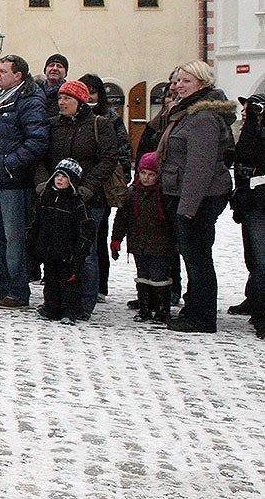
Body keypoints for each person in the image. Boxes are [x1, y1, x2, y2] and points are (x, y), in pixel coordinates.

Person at [157, 61, 235, 333]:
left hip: (200, 196)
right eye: (178, 81)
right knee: (194, 254)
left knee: (197, 256)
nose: (179, 86)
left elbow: (200, 166)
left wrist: (188, 206)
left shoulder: (202, 117)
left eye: (186, 81)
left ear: (202, 84)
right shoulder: (189, 111)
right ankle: (194, 307)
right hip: (188, 193)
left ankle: (202, 316)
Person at [39, 79, 121, 319]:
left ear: (80, 102)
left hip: (88, 199)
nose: (62, 102)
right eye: (61, 98)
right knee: (56, 251)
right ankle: (57, 301)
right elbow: (41, 157)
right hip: (56, 199)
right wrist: (43, 184)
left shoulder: (99, 124)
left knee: (85, 252)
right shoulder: (52, 125)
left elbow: (108, 159)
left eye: (68, 99)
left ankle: (85, 303)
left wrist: (86, 188)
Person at [0, 55, 52, 309]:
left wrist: (10, 162)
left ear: (18, 75)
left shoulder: (30, 100)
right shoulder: (0, 99)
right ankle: (3, 285)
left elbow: (38, 141)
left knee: (14, 239)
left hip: (14, 181)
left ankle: (19, 291)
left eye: (2, 71)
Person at [78, 73, 131, 305]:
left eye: (93, 91)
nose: (89, 95)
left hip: (102, 187)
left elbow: (122, 149)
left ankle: (100, 285)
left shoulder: (108, 116)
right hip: (78, 185)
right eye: (85, 90)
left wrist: (123, 178)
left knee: (98, 236)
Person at [113, 153, 177, 324]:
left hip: (161, 244)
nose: (146, 178)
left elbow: (172, 220)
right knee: (142, 275)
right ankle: (145, 307)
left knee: (159, 277)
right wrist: (116, 239)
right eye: (143, 174)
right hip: (138, 243)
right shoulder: (131, 194)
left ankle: (162, 309)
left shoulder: (164, 195)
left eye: (151, 174)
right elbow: (122, 218)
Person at [33, 158, 94, 325]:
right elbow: (37, 223)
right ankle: (50, 307)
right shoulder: (47, 197)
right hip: (49, 249)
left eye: (64, 177)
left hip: (69, 253)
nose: (59, 179)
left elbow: (86, 231)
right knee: (50, 281)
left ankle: (69, 311)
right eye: (57, 176)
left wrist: (79, 252)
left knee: (69, 283)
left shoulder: (77, 203)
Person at [232, 95, 265, 335]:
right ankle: (255, 303)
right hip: (252, 201)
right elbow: (244, 156)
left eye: (250, 111)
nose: (246, 114)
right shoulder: (251, 131)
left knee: (261, 261)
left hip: (258, 202)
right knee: (254, 257)